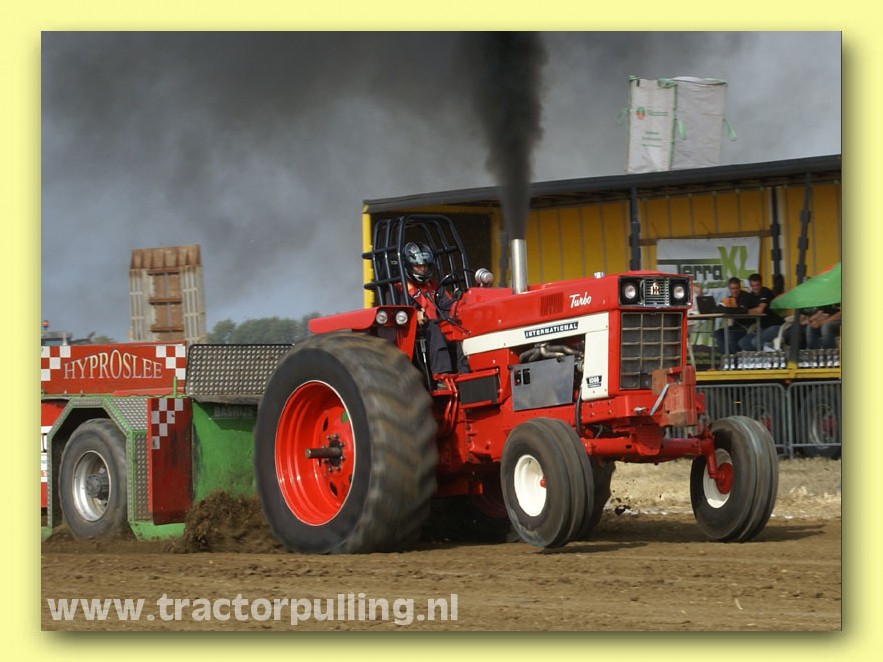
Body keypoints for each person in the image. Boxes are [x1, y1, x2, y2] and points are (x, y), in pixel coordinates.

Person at [401, 241, 459, 377]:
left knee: (460, 327)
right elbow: (398, 314)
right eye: (418, 266)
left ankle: (466, 372)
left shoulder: (434, 287)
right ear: (409, 266)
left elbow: (449, 306)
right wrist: (415, 315)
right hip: (416, 332)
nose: (422, 269)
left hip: (440, 326)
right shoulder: (400, 289)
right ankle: (442, 375)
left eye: (425, 266)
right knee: (434, 326)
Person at [738, 273, 784, 351]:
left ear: (761, 284)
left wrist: (746, 310)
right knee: (743, 343)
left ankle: (767, 353)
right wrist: (743, 310)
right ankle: (760, 354)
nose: (755, 288)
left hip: (775, 326)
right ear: (750, 285)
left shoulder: (765, 292)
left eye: (757, 285)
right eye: (753, 286)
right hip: (762, 327)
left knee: (755, 342)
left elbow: (760, 310)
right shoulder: (750, 296)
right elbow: (742, 309)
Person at [714, 277, 756, 355]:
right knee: (718, 333)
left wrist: (727, 310)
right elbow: (718, 308)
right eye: (732, 289)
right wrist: (728, 309)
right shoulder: (728, 299)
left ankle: (736, 359)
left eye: (736, 288)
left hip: (746, 326)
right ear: (729, 289)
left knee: (731, 335)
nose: (735, 291)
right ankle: (727, 358)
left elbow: (743, 310)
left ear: (740, 287)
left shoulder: (746, 296)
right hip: (735, 326)